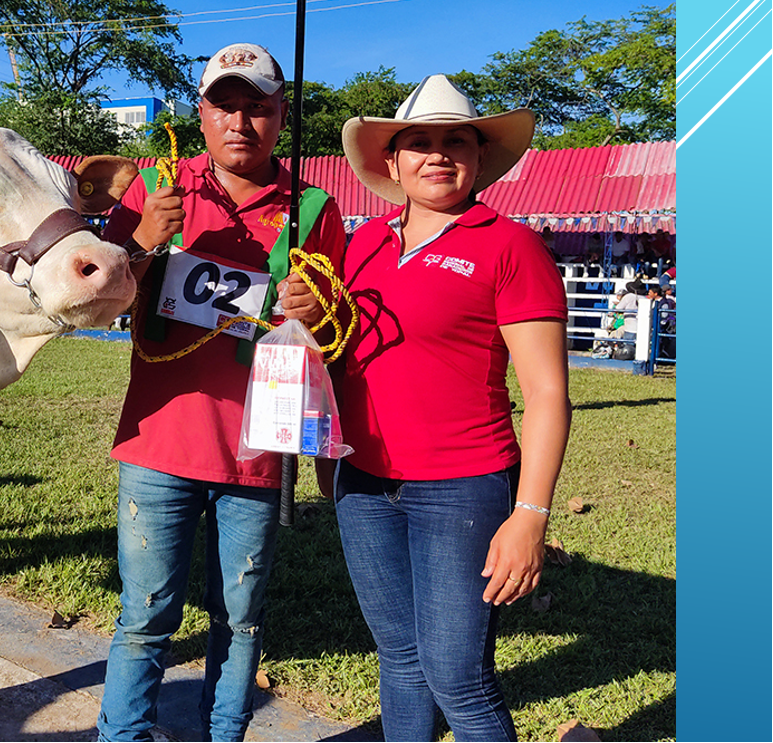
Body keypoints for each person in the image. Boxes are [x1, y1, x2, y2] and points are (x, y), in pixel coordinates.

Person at [96, 42, 347, 743]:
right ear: (201, 114)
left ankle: (223, 734)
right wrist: (143, 241)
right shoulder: (156, 187)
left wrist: (314, 307)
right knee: (144, 615)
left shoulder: (315, 208)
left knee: (240, 621)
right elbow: (95, 301)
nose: (242, 122)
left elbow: (335, 332)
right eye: (226, 106)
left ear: (280, 115)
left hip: (258, 458)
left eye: (258, 107)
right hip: (158, 446)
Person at [335, 74, 571, 741]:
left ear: (478, 157)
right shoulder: (361, 246)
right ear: (393, 160)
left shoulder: (510, 246)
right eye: (420, 143)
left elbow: (548, 393)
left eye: (455, 142)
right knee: (401, 661)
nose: (438, 155)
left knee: (457, 676)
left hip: (462, 489)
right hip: (364, 485)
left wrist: (529, 515)